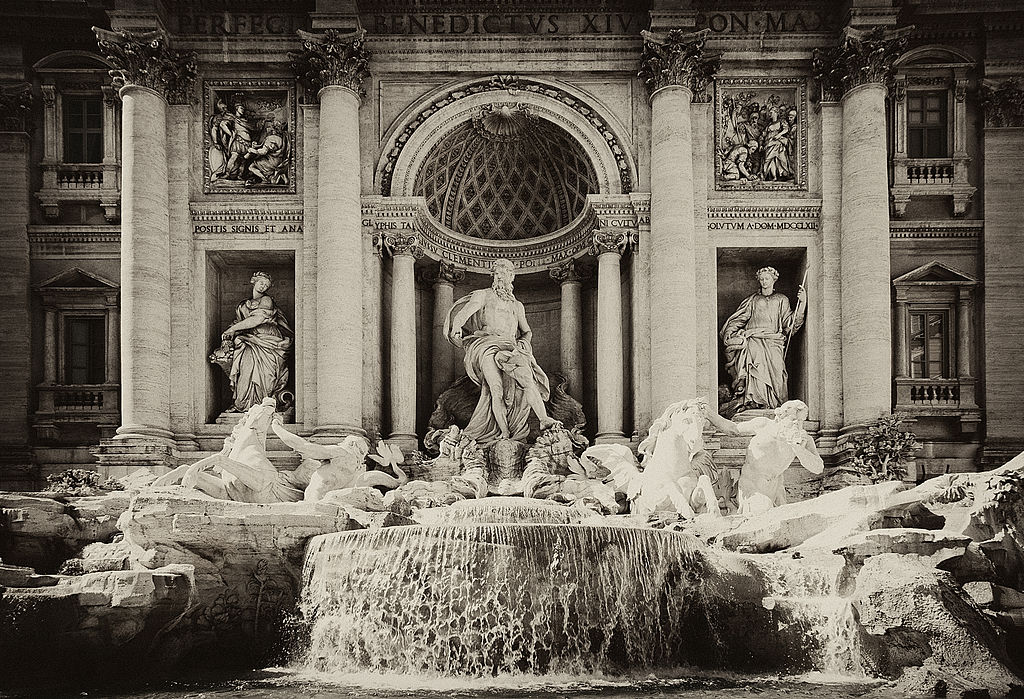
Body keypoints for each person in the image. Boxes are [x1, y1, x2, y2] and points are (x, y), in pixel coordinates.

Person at [444, 258, 556, 446]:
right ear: (493, 277)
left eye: (505, 274)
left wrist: (523, 343)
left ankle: (543, 419)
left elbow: (527, 331)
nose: (501, 278)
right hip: (486, 344)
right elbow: (467, 311)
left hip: (510, 347)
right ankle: (504, 433)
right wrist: (457, 325)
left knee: (527, 380)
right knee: (495, 389)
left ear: (512, 277)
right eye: (498, 274)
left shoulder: (517, 305)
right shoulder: (483, 295)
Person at [707, 399, 823, 514]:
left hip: (775, 489)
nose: (797, 424)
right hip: (751, 487)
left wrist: (799, 449)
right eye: (793, 419)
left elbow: (818, 468)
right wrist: (708, 413)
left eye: (801, 420)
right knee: (764, 509)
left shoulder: (804, 440)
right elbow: (733, 429)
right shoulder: (764, 424)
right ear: (781, 416)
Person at [720, 266, 806, 412]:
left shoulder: (781, 299)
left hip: (774, 341)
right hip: (753, 339)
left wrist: (802, 303)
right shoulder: (752, 300)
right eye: (762, 279)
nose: (764, 282)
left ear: (774, 280)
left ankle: (775, 404)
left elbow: (790, 323)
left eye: (767, 279)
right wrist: (730, 331)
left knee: (778, 373)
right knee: (754, 368)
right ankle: (753, 401)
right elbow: (740, 318)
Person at [214, 271, 293, 412]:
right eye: (261, 283)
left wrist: (231, 330)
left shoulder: (266, 300)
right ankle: (242, 404)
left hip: (268, 341)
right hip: (249, 342)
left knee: (266, 376)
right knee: (245, 373)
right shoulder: (242, 305)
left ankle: (264, 406)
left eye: (266, 285)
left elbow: (257, 319)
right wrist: (232, 333)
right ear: (254, 281)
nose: (263, 287)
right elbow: (240, 323)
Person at [244, 120, 289, 186]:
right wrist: (256, 146)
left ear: (273, 129)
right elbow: (269, 147)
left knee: (252, 166)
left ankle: (265, 179)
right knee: (260, 162)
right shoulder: (281, 138)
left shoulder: (271, 139)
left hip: (272, 162)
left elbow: (263, 152)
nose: (268, 129)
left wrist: (252, 150)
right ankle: (277, 176)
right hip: (279, 160)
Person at [760, 107, 792, 182]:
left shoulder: (781, 121)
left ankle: (783, 174)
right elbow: (763, 135)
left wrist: (779, 135)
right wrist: (761, 144)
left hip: (778, 143)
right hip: (769, 144)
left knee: (781, 159)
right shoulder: (769, 125)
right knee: (769, 160)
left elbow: (786, 129)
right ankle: (773, 176)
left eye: (771, 112)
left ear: (776, 112)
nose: (770, 114)